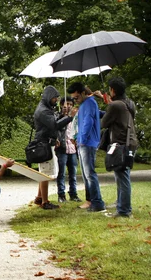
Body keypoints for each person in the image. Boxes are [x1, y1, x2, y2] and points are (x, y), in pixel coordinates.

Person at [100, 77, 138, 218]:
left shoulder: (115, 105)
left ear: (113, 90)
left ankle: (124, 211)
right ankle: (122, 204)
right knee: (123, 175)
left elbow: (104, 123)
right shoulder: (129, 103)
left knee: (122, 177)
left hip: (120, 144)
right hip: (130, 142)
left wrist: (108, 105)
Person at [68, 82, 105, 213]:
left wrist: (81, 140)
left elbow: (88, 122)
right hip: (83, 142)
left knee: (89, 174)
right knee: (86, 174)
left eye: (76, 97)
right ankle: (91, 200)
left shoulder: (89, 103)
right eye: (73, 98)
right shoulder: (85, 104)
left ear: (83, 93)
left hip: (87, 143)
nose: (75, 100)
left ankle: (97, 202)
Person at [32, 86, 72, 210]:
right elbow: (54, 125)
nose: (56, 100)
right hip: (44, 144)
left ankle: (39, 198)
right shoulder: (43, 110)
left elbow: (53, 122)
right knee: (45, 173)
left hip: (47, 142)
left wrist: (62, 115)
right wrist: (69, 117)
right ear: (49, 96)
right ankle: (45, 201)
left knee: (44, 171)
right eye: (55, 98)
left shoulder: (46, 109)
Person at [55, 96, 80, 203]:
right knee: (61, 173)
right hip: (62, 148)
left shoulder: (75, 117)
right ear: (61, 105)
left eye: (70, 104)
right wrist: (64, 115)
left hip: (72, 148)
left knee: (73, 173)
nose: (68, 106)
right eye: (66, 104)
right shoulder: (58, 116)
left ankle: (73, 194)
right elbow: (55, 126)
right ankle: (61, 195)